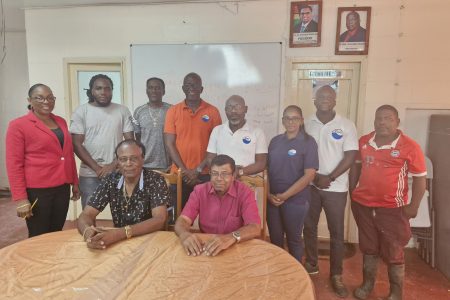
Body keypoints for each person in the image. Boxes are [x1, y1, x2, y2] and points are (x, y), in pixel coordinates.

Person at [349, 105, 426, 300]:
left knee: (394, 249)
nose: (382, 122)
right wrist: (353, 192)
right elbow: (356, 168)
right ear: (374, 121)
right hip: (363, 206)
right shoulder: (364, 141)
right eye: (379, 118)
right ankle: (367, 285)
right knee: (368, 246)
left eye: (388, 118)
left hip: (393, 209)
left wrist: (414, 206)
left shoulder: (410, 146)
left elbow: (420, 178)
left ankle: (396, 292)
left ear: (397, 122)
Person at [303, 85, 358, 297]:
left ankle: (336, 274)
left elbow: (351, 156)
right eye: (321, 96)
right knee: (309, 227)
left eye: (329, 96)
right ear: (314, 101)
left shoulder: (346, 125)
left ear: (335, 101)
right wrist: (315, 176)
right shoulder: (306, 124)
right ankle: (312, 264)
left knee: (336, 233)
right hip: (310, 185)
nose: (325, 99)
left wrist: (330, 177)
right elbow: (302, 153)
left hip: (336, 188)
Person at [5, 84, 80, 237]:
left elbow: (68, 154)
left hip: (62, 187)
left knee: (56, 231)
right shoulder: (18, 125)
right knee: (38, 234)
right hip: (38, 191)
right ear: (30, 100)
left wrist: (75, 182)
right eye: (40, 98)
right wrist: (21, 199)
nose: (46, 101)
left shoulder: (60, 121)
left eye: (50, 97)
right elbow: (14, 164)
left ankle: (52, 261)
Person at [77, 139, 170, 250]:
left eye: (134, 158)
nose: (128, 163)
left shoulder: (155, 180)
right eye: (123, 159)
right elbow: (86, 215)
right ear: (117, 162)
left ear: (143, 159)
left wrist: (119, 234)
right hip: (119, 244)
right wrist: (88, 233)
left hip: (151, 242)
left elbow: (159, 219)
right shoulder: (111, 180)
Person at [174, 155, 261, 257]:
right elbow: (183, 220)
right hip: (207, 248)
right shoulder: (199, 191)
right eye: (215, 173)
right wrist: (184, 234)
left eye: (225, 174)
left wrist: (230, 237)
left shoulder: (245, 192)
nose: (219, 179)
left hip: (235, 247)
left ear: (233, 176)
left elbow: (254, 227)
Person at [70, 74, 134, 208]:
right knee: (88, 213)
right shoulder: (81, 111)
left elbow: (130, 143)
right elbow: (76, 144)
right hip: (89, 174)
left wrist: (113, 165)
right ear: (92, 91)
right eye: (98, 88)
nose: (103, 92)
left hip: (118, 171)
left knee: (123, 212)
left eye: (107, 88)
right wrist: (97, 168)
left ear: (112, 90)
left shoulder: (122, 110)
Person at [267, 105, 318, 263]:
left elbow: (309, 174)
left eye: (295, 118)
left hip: (296, 201)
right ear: (282, 120)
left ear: (301, 121)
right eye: (287, 118)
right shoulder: (275, 141)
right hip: (273, 201)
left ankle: (294, 278)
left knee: (293, 240)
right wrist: (269, 195)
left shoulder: (308, 142)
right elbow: (267, 171)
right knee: (275, 241)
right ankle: (278, 274)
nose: (291, 121)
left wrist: (286, 195)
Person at [164, 72, 222, 208]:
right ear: (183, 88)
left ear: (201, 89)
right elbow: (169, 143)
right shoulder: (173, 111)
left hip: (205, 174)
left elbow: (217, 144)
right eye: (188, 85)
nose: (192, 88)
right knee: (178, 216)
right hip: (178, 174)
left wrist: (197, 170)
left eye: (196, 85)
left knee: (207, 217)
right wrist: (185, 171)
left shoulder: (213, 111)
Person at [206, 95, 267, 177]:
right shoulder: (217, 130)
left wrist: (239, 172)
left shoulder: (257, 132)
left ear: (245, 109)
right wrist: (225, 172)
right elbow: (210, 159)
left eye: (237, 107)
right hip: (222, 182)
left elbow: (261, 163)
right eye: (229, 107)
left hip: (248, 182)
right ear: (225, 110)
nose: (233, 111)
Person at [132, 77, 171, 170]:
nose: (154, 90)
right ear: (146, 91)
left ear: (163, 91)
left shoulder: (172, 110)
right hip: (144, 165)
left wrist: (173, 163)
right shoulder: (138, 111)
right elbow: (138, 138)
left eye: (158, 88)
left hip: (167, 165)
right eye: (150, 87)